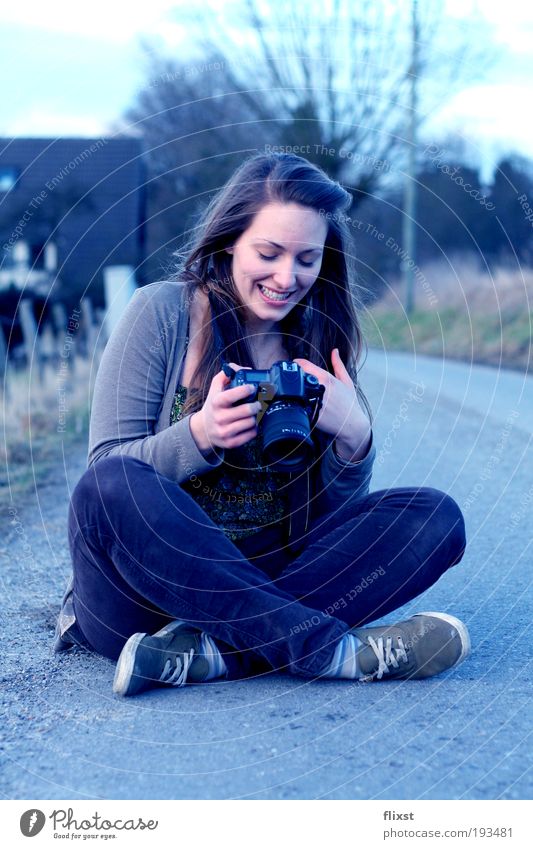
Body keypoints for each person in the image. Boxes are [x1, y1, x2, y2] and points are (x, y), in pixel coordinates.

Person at [56, 152, 470, 696]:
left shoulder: (319, 339)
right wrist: (199, 435)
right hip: (140, 600)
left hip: (272, 576)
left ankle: (209, 654)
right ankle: (331, 652)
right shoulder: (160, 313)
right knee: (108, 485)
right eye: (269, 253)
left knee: (435, 516)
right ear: (230, 240)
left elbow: (331, 523)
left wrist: (354, 440)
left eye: (306, 259)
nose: (286, 277)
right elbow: (106, 482)